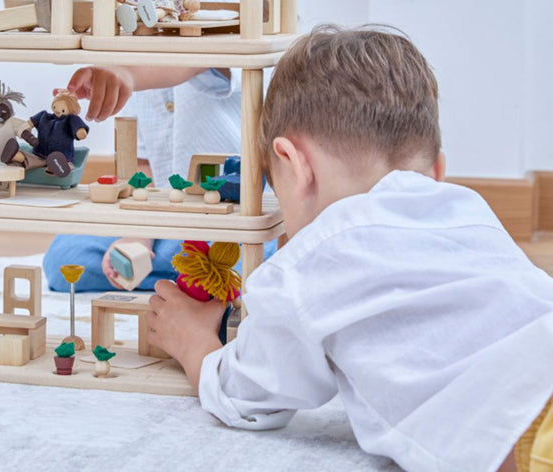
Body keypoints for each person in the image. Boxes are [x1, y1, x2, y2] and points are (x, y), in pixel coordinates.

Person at [145, 24, 553, 472]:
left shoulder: (310, 260)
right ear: (437, 171)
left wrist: (194, 343)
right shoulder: (471, 211)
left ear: (295, 165)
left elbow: (247, 396)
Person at [43, 0, 276, 293]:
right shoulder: (137, 30)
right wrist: (136, 238)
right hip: (166, 217)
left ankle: (201, 276)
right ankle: (183, 279)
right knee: (62, 258)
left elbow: (184, 60)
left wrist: (127, 72)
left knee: (239, 255)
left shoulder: (228, 10)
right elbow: (143, 165)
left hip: (227, 217)